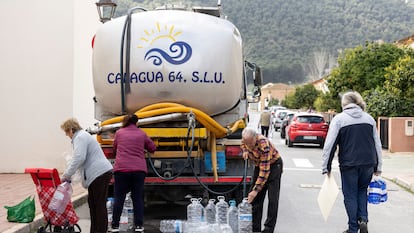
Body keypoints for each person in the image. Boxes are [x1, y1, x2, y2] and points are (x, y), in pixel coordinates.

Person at [321, 91, 382, 233]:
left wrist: (326, 166)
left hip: (349, 164)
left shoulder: (339, 119)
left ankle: (353, 228)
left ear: (344, 104)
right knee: (362, 192)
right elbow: (377, 144)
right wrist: (378, 166)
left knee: (350, 195)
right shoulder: (369, 119)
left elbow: (329, 145)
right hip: (368, 163)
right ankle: (363, 220)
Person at [60, 118, 113, 233]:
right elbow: (80, 159)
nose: (66, 135)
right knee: (93, 204)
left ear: (71, 129)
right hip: (99, 173)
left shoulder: (80, 137)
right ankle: (95, 230)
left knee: (98, 204)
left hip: (99, 173)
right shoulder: (82, 136)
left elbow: (79, 158)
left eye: (66, 132)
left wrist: (66, 175)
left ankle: (100, 230)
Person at [110, 114, 156, 233]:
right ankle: (139, 226)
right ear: (136, 122)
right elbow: (152, 147)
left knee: (119, 198)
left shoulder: (119, 133)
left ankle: (115, 226)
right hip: (138, 171)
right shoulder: (141, 133)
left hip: (121, 170)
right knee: (137, 199)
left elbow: (114, 149)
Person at [241, 127, 283, 233]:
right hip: (259, 165)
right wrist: (245, 150)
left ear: (255, 138)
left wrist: (256, 190)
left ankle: (268, 229)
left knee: (272, 199)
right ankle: (255, 229)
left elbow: (265, 171)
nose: (249, 146)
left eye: (251, 143)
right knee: (255, 200)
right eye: (247, 144)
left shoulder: (263, 144)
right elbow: (242, 144)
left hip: (273, 166)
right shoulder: (246, 139)